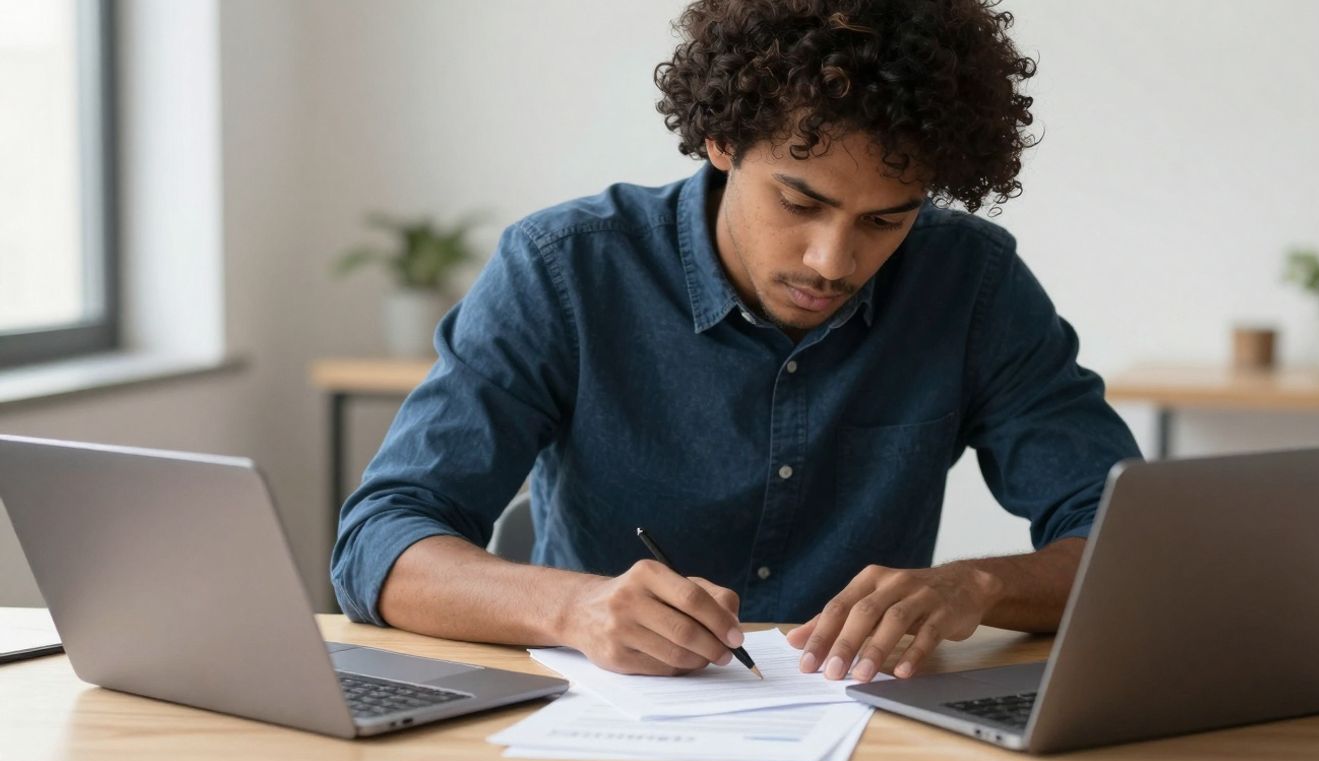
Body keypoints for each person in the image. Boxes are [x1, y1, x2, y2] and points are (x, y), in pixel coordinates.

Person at [331, 0, 1141, 685]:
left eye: (885, 220)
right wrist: (574, 608)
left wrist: (982, 586)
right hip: (606, 735)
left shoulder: (971, 285)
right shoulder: (565, 270)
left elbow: (1130, 543)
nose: (834, 261)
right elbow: (381, 538)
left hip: (863, 736)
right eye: (799, 202)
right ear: (723, 141)